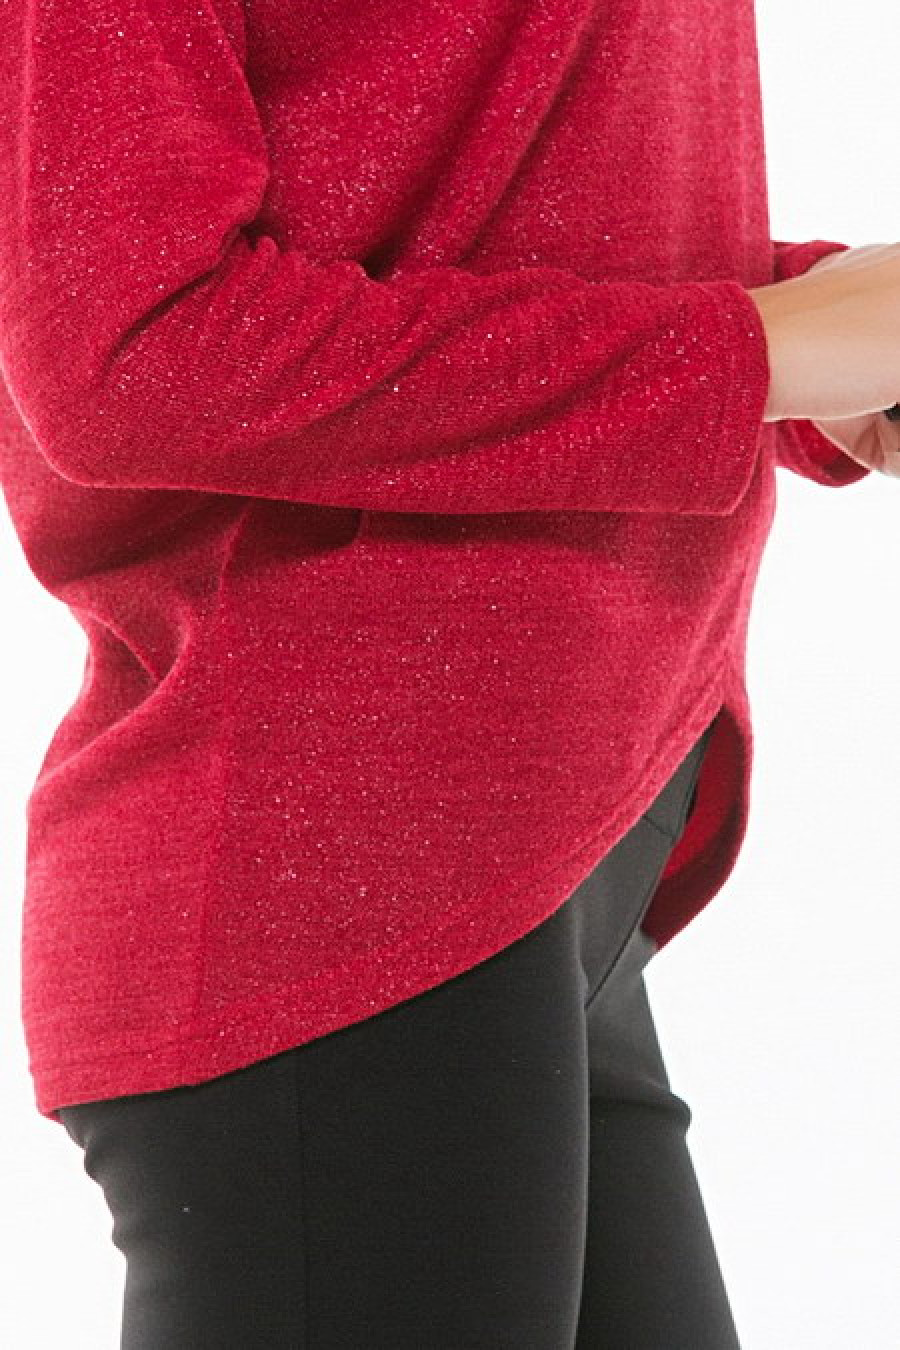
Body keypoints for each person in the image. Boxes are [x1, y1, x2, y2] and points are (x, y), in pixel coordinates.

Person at [0, 2, 898, 1346]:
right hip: (341, 886)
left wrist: (803, 343)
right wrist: (752, 351)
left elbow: (470, 192)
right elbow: (135, 351)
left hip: (551, 866)